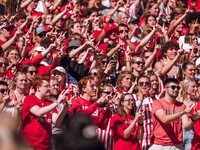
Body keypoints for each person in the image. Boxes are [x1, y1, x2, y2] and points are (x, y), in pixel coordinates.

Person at [149, 78, 200, 150]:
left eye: (178, 88)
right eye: (173, 87)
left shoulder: (181, 105)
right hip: (159, 144)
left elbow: (186, 126)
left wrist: (194, 119)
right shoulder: (158, 103)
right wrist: (183, 112)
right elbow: (164, 119)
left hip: (176, 145)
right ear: (165, 89)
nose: (176, 89)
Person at [22, 75, 69, 150]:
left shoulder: (50, 103)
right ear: (38, 88)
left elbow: (56, 121)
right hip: (29, 145)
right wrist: (57, 102)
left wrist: (65, 108)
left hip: (46, 146)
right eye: (47, 86)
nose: (50, 88)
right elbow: (38, 112)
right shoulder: (29, 99)